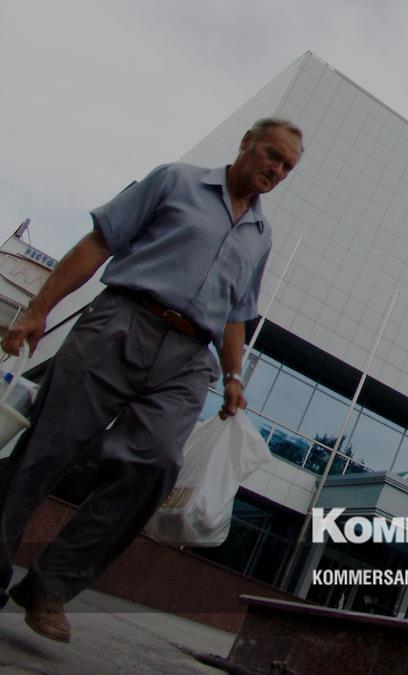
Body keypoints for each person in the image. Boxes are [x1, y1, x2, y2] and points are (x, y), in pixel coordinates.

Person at [0, 117, 303, 643]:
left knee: (156, 465)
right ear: (247, 144)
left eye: (287, 167)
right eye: (272, 155)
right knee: (47, 448)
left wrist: (233, 376)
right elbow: (100, 242)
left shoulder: (261, 235)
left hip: (189, 357)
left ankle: (51, 586)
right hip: (122, 322)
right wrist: (38, 308)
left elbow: (236, 313)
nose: (276, 170)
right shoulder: (175, 181)